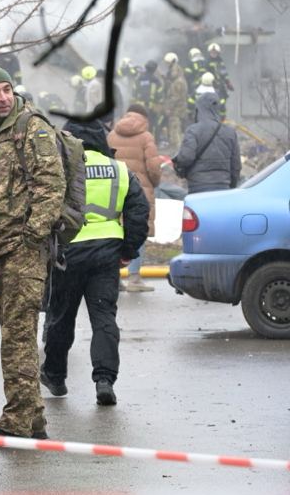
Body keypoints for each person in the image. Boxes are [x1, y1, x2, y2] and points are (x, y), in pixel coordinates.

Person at [0, 67, 66, 440]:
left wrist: (31, 235)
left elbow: (51, 185)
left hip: (22, 247)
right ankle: (32, 416)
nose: (3, 97)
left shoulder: (31, 127)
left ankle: (18, 418)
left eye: (7, 89)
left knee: (18, 335)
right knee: (14, 331)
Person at [40, 118, 149, 409]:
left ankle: (55, 375)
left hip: (68, 251)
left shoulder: (62, 169)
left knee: (61, 316)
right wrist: (128, 249)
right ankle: (104, 380)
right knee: (104, 318)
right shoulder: (119, 170)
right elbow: (139, 210)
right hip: (107, 252)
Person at [107, 103, 162, 292]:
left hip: (114, 190)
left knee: (116, 232)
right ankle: (134, 277)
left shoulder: (112, 135)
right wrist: (154, 182)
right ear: (144, 118)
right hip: (140, 189)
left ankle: (114, 278)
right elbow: (154, 166)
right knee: (138, 230)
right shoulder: (146, 137)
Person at [172, 92, 240, 194]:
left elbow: (186, 158)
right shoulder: (230, 132)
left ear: (199, 110)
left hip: (198, 187)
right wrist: (231, 186)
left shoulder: (193, 130)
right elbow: (236, 165)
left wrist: (178, 161)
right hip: (223, 187)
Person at [158, 52, 189, 150]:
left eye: (168, 64)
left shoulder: (178, 82)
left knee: (174, 129)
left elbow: (174, 97)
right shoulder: (177, 80)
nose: (167, 67)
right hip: (177, 109)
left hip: (176, 110)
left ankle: (176, 149)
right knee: (174, 128)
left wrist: (168, 108)